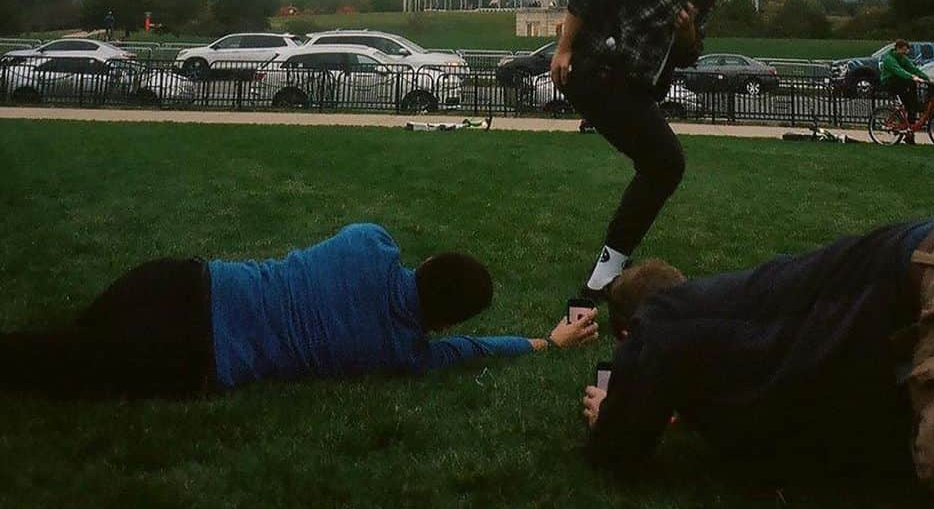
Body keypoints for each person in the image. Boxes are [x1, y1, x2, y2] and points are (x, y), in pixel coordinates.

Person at [581, 218, 934, 509]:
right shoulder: (737, 309)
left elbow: (621, 451)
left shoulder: (662, 320)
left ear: (628, 331)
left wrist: (613, 406)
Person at [0, 222, 597, 400]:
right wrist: (543, 343)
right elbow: (469, 351)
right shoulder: (403, 353)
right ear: (445, 322)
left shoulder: (370, 243)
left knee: (61, 347)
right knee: (54, 365)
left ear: (429, 261)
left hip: (178, 283)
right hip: (189, 357)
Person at [549, 0, 784, 299]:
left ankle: (608, 269)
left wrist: (688, 35)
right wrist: (563, 50)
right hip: (599, 72)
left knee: (662, 165)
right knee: (665, 163)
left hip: (631, 85)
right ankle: (603, 278)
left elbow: (688, 54)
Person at [880, 39, 925, 141]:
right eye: (903, 50)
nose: (905, 53)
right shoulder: (889, 59)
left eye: (906, 51)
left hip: (899, 81)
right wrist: (912, 77)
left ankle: (910, 135)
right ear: (897, 49)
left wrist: (927, 78)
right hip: (889, 82)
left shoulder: (902, 58)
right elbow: (898, 71)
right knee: (909, 84)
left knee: (911, 108)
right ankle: (909, 106)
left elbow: (913, 69)